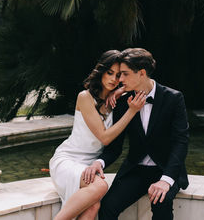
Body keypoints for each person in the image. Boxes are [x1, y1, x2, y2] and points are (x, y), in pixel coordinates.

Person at [82, 48, 189, 220]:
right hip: (135, 169)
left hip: (165, 168)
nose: (120, 79)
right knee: (107, 207)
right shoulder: (123, 102)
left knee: (161, 202)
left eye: (124, 74)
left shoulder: (174, 98)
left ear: (141, 73)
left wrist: (166, 180)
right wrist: (99, 162)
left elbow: (180, 142)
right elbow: (115, 147)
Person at [49, 50, 146, 220]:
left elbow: (144, 83)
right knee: (101, 186)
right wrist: (131, 112)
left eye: (118, 76)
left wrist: (119, 91)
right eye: (109, 73)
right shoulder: (85, 97)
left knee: (94, 207)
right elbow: (105, 137)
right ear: (101, 71)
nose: (113, 79)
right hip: (68, 160)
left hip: (89, 166)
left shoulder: (116, 101)